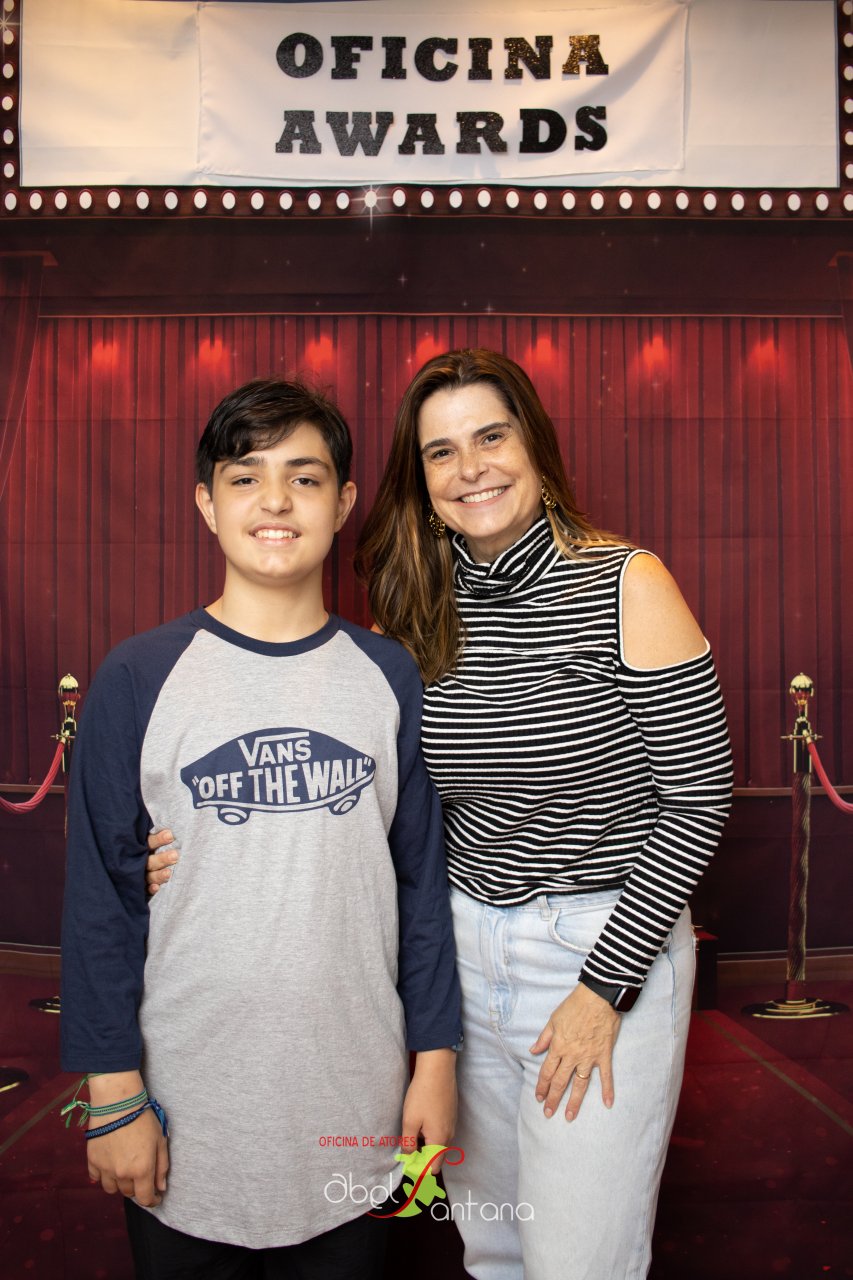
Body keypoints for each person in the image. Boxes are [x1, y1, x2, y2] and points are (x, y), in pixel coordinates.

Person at [147, 350, 733, 1280]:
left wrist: (603, 989)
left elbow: (699, 798)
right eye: (440, 452)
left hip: (596, 946)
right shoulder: (415, 598)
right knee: (491, 1245)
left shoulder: (626, 581)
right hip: (463, 950)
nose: (471, 469)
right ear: (418, 478)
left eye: (490, 437)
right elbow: (375, 793)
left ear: (533, 445)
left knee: (577, 1260)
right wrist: (183, 848)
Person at [60, 377, 462, 1280]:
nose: (275, 501)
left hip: (353, 1102)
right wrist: (112, 1092)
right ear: (206, 504)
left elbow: (419, 887)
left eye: (303, 478)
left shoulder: (388, 675)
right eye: (245, 478)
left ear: (343, 503)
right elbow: (101, 901)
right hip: (188, 1107)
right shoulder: (137, 676)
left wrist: (434, 1063)